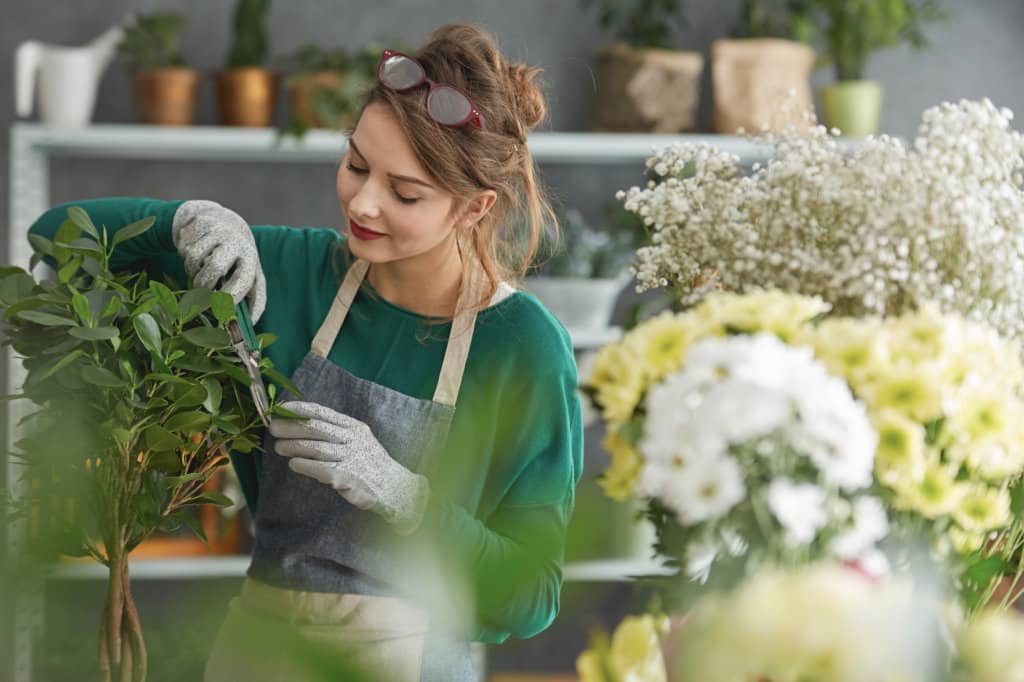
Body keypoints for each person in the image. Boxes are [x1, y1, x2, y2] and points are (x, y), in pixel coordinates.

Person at [27, 22, 582, 682]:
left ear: (473, 208)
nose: (365, 203)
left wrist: (406, 499)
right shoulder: (291, 272)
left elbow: (532, 598)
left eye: (404, 192)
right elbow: (56, 239)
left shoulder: (523, 348)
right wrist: (185, 220)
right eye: (356, 165)